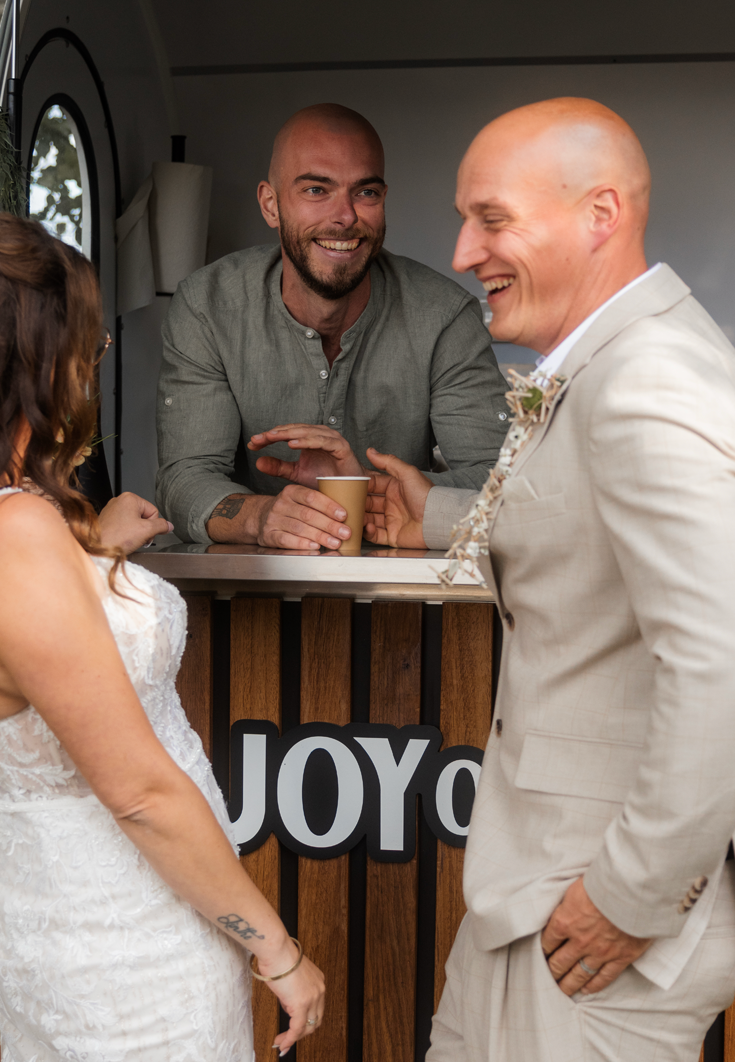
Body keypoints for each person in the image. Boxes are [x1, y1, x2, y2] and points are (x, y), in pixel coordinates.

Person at [0, 216, 324, 1060]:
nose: (91, 364)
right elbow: (140, 794)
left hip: (32, 911)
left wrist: (89, 553)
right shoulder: (12, 537)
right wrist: (277, 949)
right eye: (84, 344)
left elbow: (1, 647)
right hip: (128, 934)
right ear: (33, 355)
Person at [357, 98, 735, 1060]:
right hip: (525, 898)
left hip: (598, 926)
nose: (461, 249)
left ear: (600, 215)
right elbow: (586, 534)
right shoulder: (612, 363)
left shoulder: (648, 379)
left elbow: (721, 663)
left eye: (491, 218)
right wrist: (430, 519)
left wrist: (629, 897)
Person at [155, 102, 509, 550]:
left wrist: (362, 490)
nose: (345, 217)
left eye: (366, 193)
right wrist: (261, 516)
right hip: (247, 598)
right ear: (270, 204)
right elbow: (184, 477)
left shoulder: (444, 316)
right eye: (316, 190)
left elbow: (499, 481)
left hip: (403, 602)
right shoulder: (206, 306)